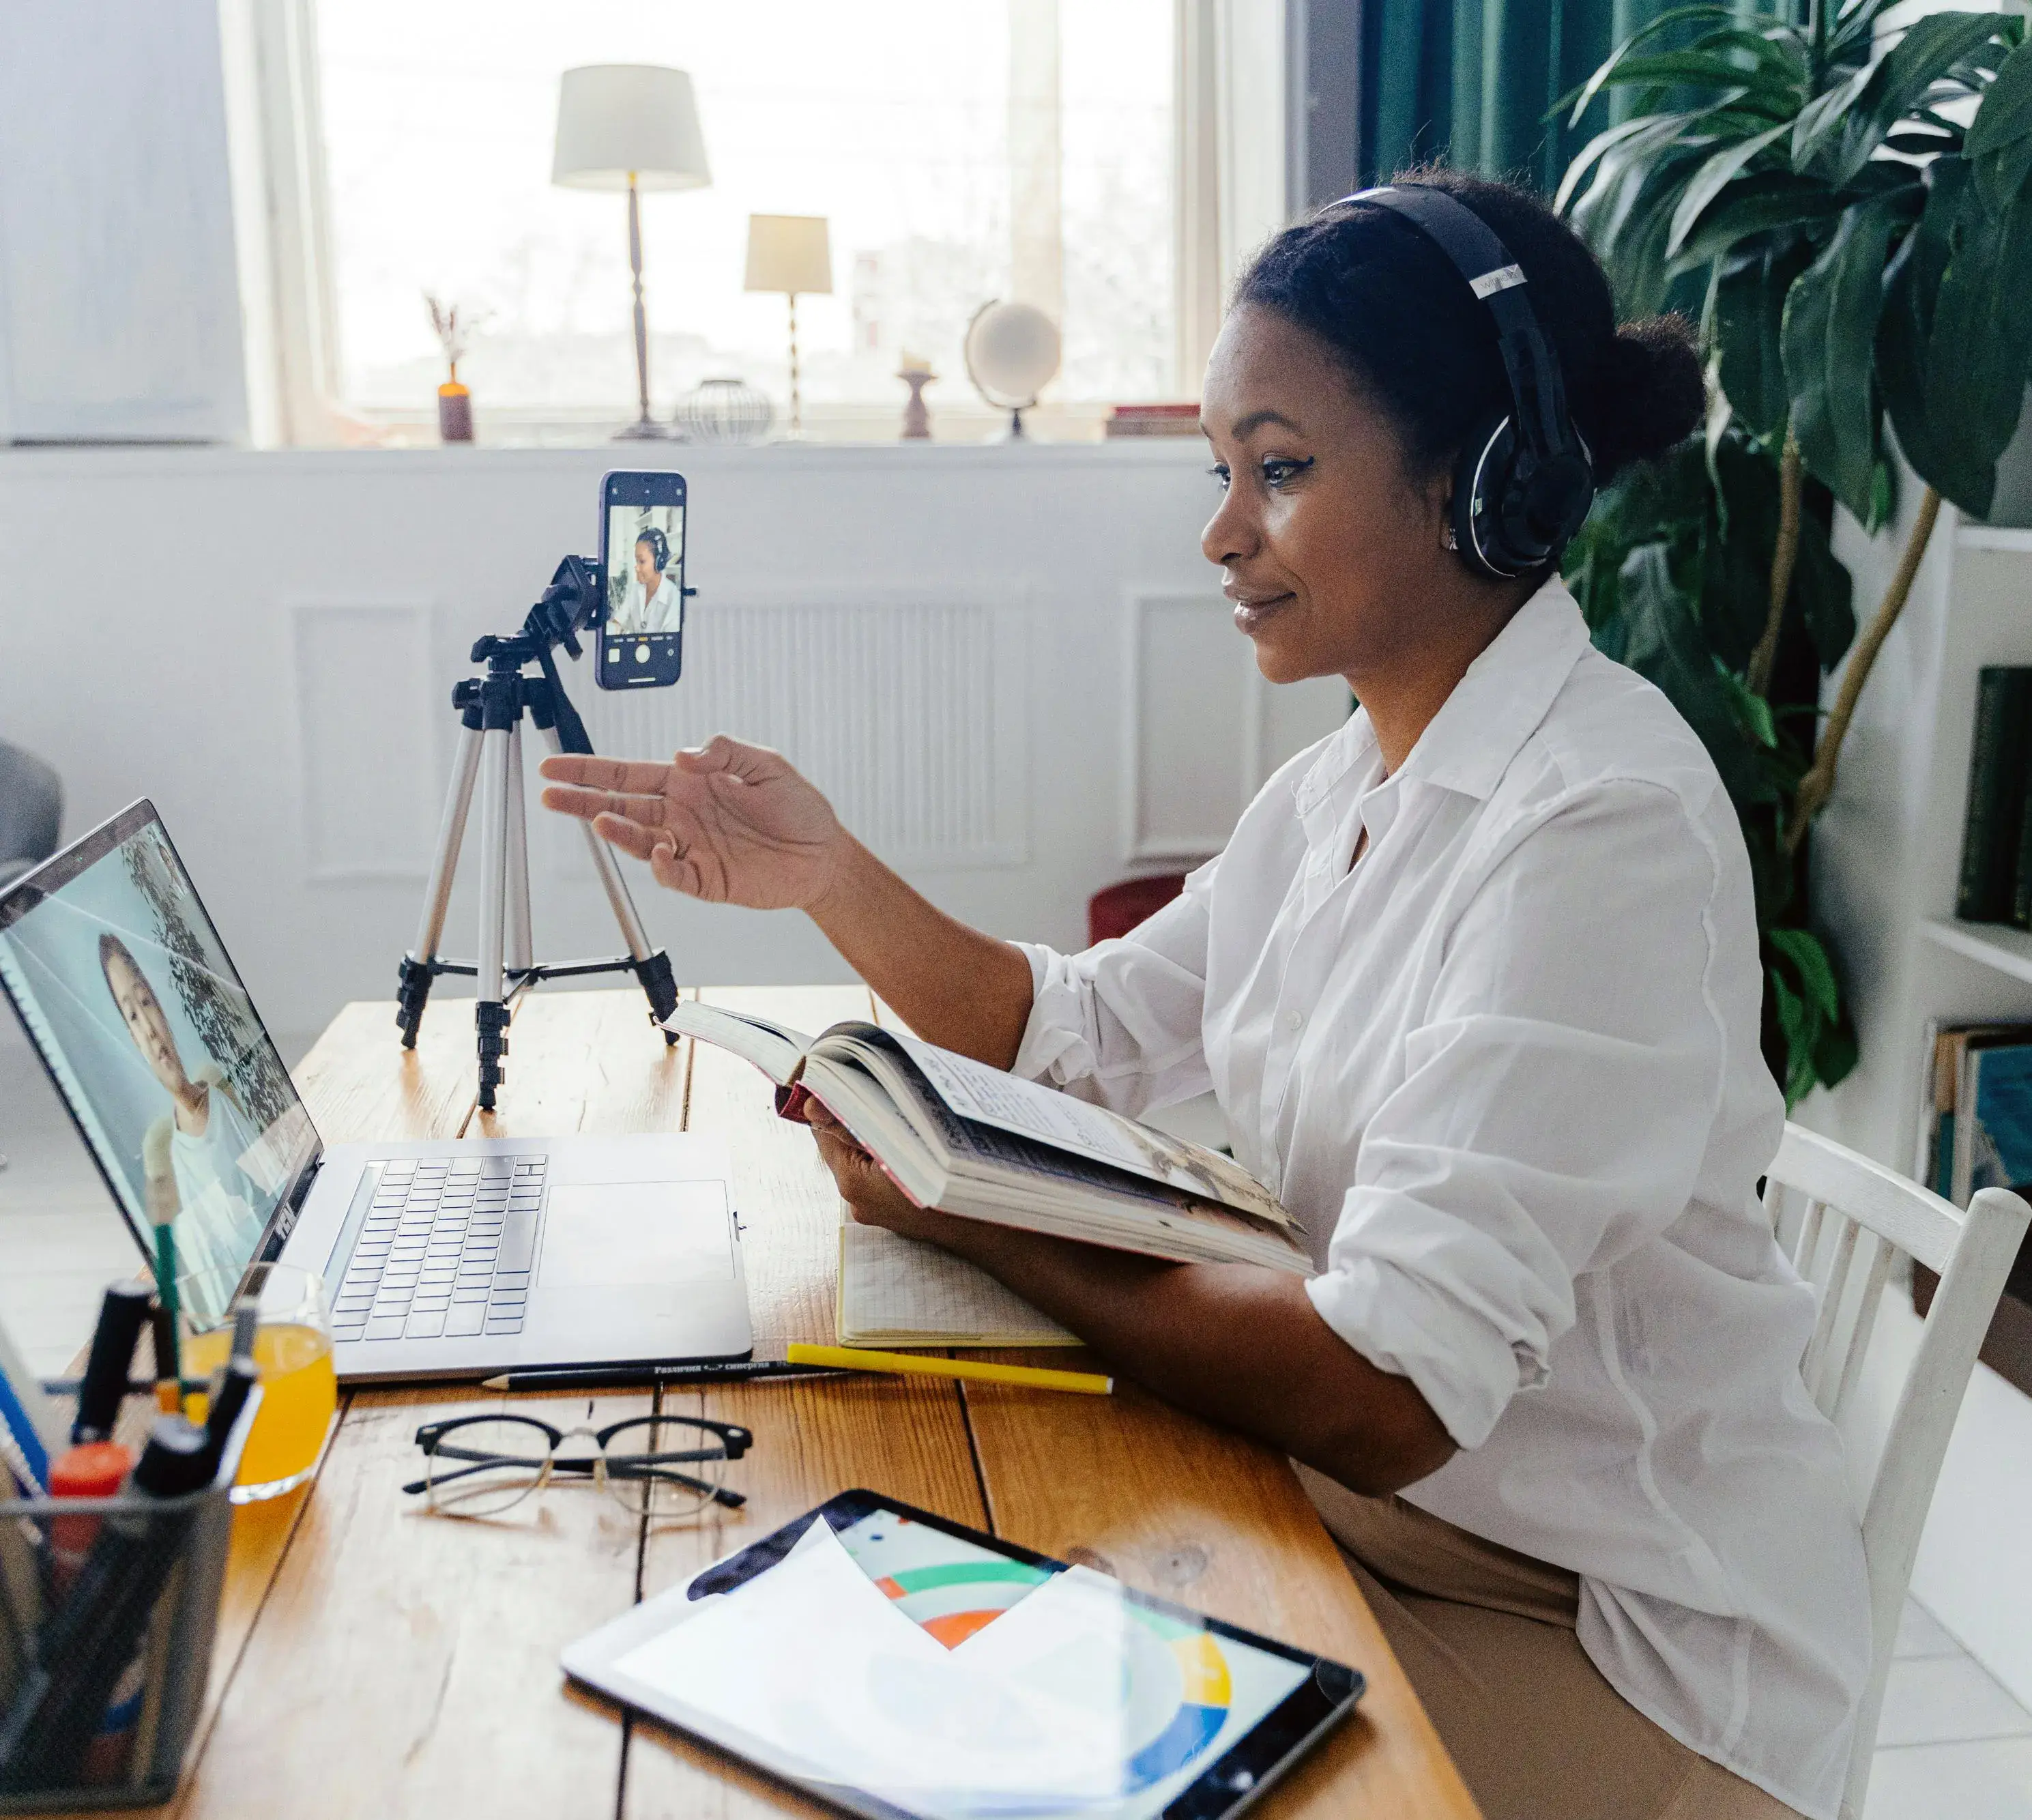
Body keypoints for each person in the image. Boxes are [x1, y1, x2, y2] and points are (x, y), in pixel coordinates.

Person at [539, 171, 1869, 1820]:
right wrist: (828, 877)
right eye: (1222, 470)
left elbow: (1383, 1393)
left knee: (994, 1744)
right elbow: (1068, 1036)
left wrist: (979, 1221)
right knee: (898, 1640)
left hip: (1607, 1636)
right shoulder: (1342, 789)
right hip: (1371, 1523)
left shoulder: (1595, 825)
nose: (1221, 531)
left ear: (1485, 485)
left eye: (1282, 470)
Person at [99, 931, 267, 1323]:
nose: (150, 1030)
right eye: (133, 1016)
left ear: (162, 1007)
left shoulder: (221, 1089)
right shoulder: (165, 1156)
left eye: (146, 1002)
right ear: (131, 1037)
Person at [615, 526, 680, 633]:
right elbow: (619, 620)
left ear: (659, 562)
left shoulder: (673, 597)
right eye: (637, 562)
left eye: (642, 561)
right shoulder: (635, 589)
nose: (637, 567)